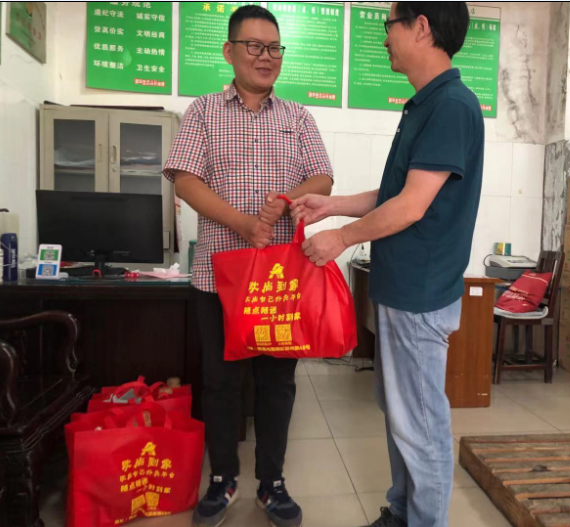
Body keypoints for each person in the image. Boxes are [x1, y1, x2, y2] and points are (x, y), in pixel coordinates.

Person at [290, 3, 481, 526]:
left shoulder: (451, 106)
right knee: (401, 414)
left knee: (421, 425)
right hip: (402, 288)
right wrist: (332, 205)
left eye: (389, 25)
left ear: (421, 27)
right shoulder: (425, 104)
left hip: (420, 294)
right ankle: (402, 511)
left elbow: (411, 206)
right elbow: (396, 194)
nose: (385, 37)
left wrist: (340, 238)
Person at [162, 5, 333, 527]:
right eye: (254, 46)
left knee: (278, 384)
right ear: (229, 51)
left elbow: (322, 178)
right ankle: (222, 479)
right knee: (220, 383)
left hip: (280, 283)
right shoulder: (203, 112)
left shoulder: (298, 117)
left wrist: (282, 201)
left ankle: (272, 483)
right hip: (218, 279)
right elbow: (184, 178)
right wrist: (240, 222)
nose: (266, 56)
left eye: (274, 47)